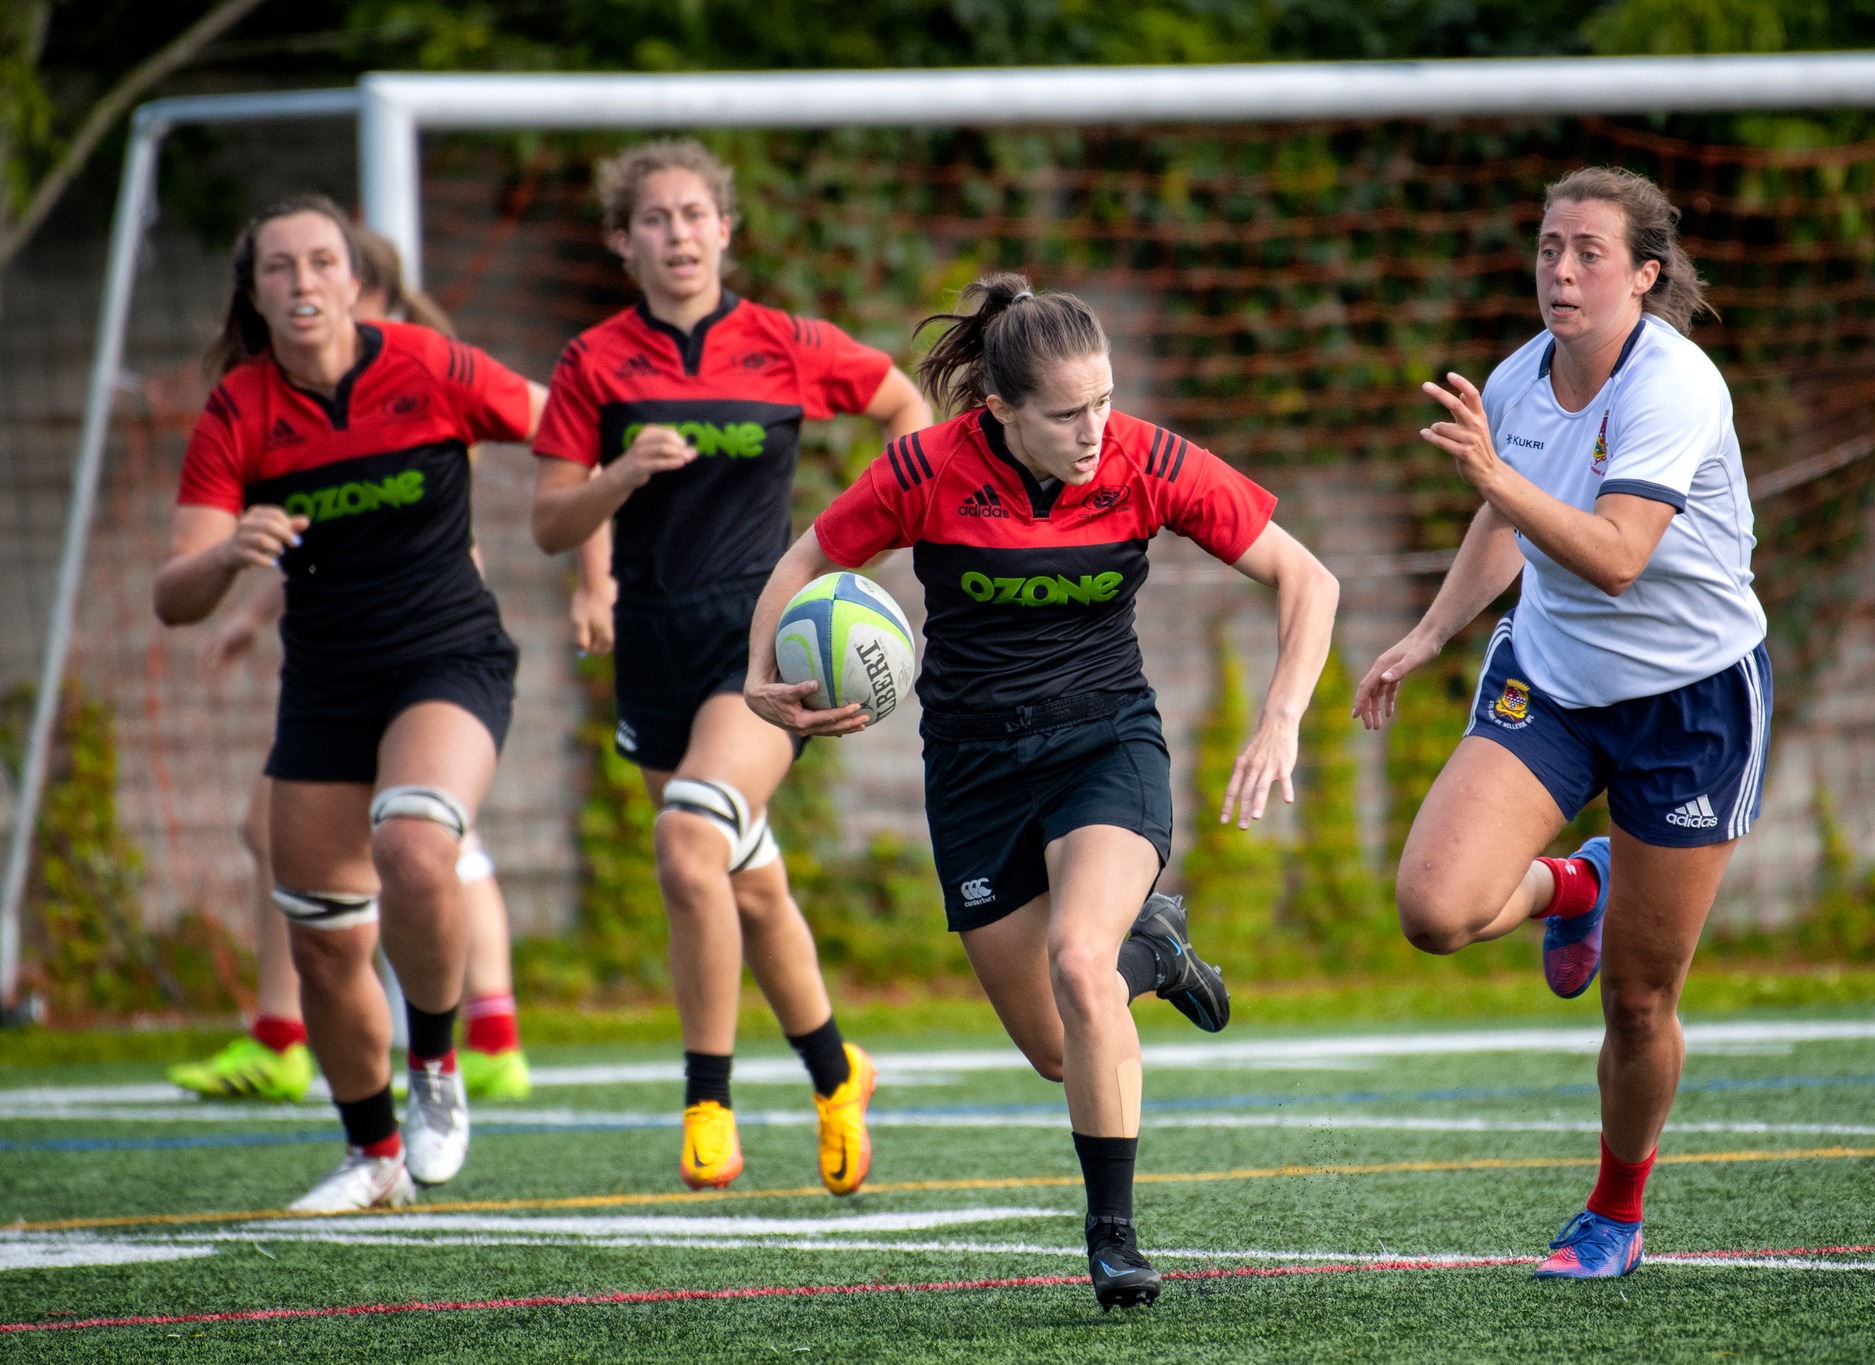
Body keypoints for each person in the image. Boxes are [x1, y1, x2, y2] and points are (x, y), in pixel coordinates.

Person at [745, 272, 1339, 1308]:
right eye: (1066, 414)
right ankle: (1157, 953)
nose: (1094, 429)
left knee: (1076, 959)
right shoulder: (925, 468)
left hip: (1103, 746)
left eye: (1104, 400)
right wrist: (759, 677)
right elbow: (803, 557)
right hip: (972, 771)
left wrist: (1279, 715)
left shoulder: (1146, 459)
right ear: (999, 412)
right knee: (1057, 1048)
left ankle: (1112, 1238)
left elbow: (1308, 579)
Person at [1355, 166, 1769, 1279]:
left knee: (1638, 1001)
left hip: (1688, 705)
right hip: (1549, 681)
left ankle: (1612, 1213)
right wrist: (1431, 633)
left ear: (1643, 274)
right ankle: (1576, 882)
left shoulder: (1672, 387)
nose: (1561, 269)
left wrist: (1494, 472)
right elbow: (1506, 523)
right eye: (1547, 247)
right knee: (1433, 911)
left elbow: (1618, 556)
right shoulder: (1517, 378)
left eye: (1588, 251)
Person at [528, 139, 931, 1196]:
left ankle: (707, 1098)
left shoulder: (780, 342)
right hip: (654, 649)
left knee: (683, 842)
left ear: (724, 230)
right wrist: (619, 477)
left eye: (695, 214)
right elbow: (547, 518)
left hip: (761, 644)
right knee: (736, 883)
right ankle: (838, 1071)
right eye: (654, 218)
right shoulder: (593, 364)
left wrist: (869, 544)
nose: (678, 234)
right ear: (623, 241)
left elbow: (904, 407)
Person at [153, 194, 547, 1213]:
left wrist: (596, 560)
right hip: (325, 683)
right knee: (322, 944)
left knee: (414, 844)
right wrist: (229, 559)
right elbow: (173, 593)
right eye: (278, 267)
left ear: (352, 278)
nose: (302, 282)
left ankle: (437, 1067)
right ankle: (372, 1155)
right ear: (254, 293)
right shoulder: (239, 410)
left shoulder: (429, 365)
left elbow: (564, 431)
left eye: (320, 261)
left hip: (448, 658)